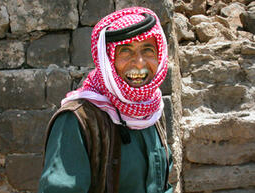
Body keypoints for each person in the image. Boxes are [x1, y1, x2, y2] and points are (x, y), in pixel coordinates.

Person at [38, 7, 173, 193]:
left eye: (148, 50)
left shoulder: (151, 111)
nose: (140, 63)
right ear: (107, 60)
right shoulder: (77, 120)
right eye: (126, 51)